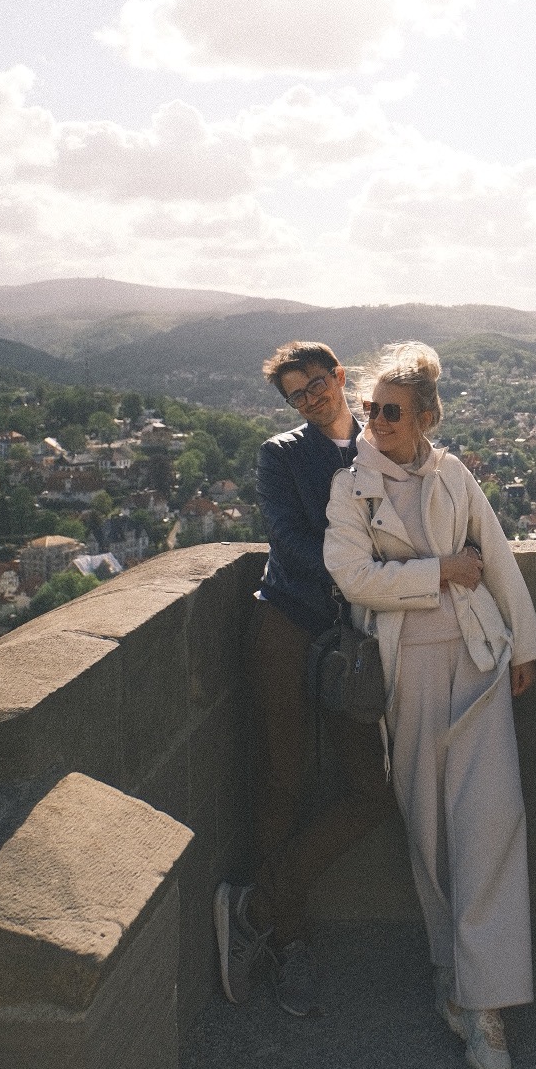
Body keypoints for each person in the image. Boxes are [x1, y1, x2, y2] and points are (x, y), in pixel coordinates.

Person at [323, 342, 536, 1069]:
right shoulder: (350, 489)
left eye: (391, 411)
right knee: (428, 826)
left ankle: (487, 1007)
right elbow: (353, 577)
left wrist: (523, 648)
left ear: (424, 416)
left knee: (492, 818)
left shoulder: (452, 473)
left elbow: (500, 556)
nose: (375, 422)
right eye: (369, 410)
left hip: (477, 655)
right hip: (406, 668)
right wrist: (439, 571)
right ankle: (452, 976)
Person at [214, 341, 395, 1015]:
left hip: (354, 636)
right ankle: (289, 943)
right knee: (285, 779)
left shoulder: (382, 442)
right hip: (288, 624)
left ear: (340, 377)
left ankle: (254, 903)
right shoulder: (281, 454)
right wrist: (365, 572)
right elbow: (285, 538)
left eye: (317, 384)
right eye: (297, 393)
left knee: (370, 793)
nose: (311, 399)